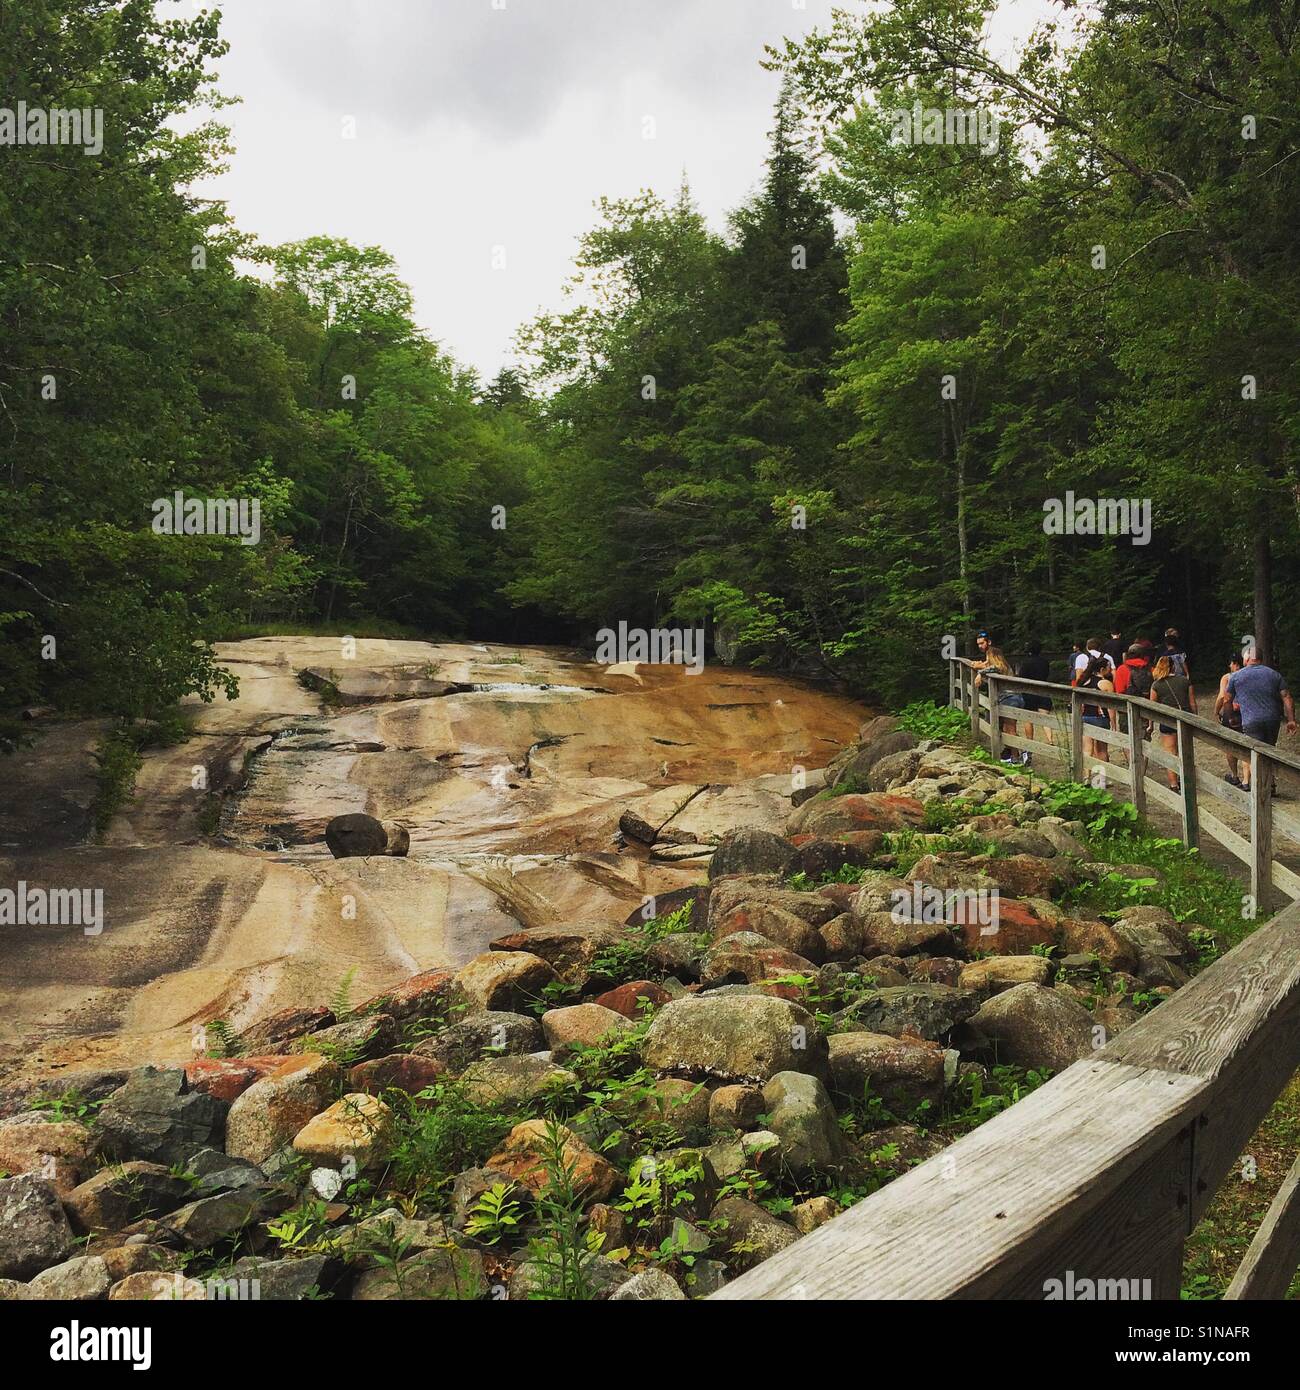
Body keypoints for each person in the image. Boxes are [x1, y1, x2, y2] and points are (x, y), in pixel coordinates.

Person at [1225, 650, 1297, 789]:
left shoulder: (1236, 676)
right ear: (1261, 659)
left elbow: (1227, 699)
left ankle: (1260, 789)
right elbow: (1287, 697)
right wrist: (1291, 720)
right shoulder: (1274, 674)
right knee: (1270, 750)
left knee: (1254, 753)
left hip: (1251, 720)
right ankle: (1270, 784)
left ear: (1246, 660)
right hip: (1272, 720)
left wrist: (1231, 717)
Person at [1150, 656, 1197, 792]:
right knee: (1185, 751)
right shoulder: (1185, 681)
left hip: (1167, 721)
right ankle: (1185, 780)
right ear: (1174, 667)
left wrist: (1150, 724)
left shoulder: (1156, 685)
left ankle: (1173, 784)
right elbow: (1192, 702)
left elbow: (1152, 707)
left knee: (1170, 752)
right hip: (1185, 719)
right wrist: (1195, 719)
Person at [974, 646, 1026, 763]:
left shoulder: (1000, 666)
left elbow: (996, 667)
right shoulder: (1004, 667)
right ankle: (1015, 753)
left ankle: (1016, 757)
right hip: (1012, 698)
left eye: (988, 658)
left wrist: (979, 672)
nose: (986, 661)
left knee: (1010, 729)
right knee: (1005, 727)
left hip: (1010, 699)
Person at [1017, 639, 1053, 759]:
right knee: (1045, 717)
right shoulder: (1044, 662)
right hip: (1043, 690)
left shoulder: (1026, 663)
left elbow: (1021, 677)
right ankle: (1050, 739)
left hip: (1029, 693)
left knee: (1028, 719)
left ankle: (1030, 743)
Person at [1076, 655, 1115, 767]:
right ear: (1102, 669)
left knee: (1087, 749)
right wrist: (1113, 723)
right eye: (1108, 667)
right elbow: (1110, 706)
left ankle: (1086, 777)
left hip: (1085, 717)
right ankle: (1101, 780)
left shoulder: (1084, 681)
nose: (1110, 670)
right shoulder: (1105, 683)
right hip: (1100, 718)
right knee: (1102, 750)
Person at [1214, 654, 1245, 787]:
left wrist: (1216, 711)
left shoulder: (1227, 677)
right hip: (1246, 713)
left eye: (1230, 663)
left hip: (1231, 713)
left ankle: (1235, 775)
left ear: (1234, 663)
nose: (1229, 666)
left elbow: (1222, 696)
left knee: (1230, 746)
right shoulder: (1247, 675)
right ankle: (1248, 778)